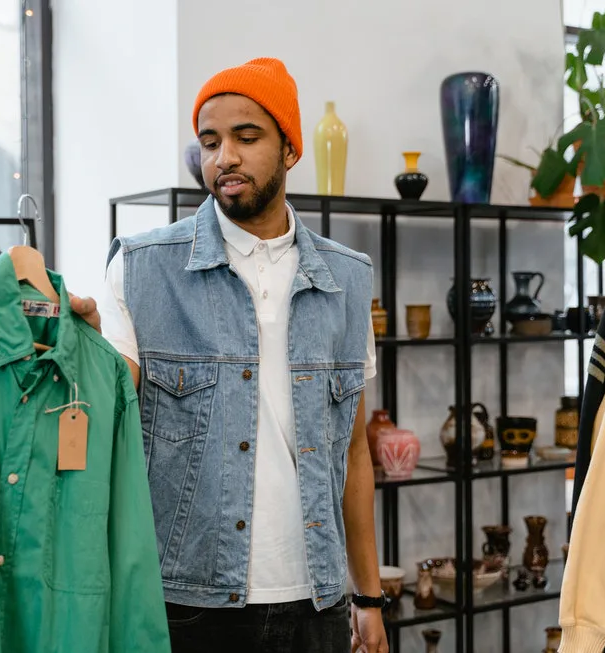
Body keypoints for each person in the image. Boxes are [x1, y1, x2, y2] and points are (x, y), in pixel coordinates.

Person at [73, 57, 387, 653]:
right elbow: (106, 420)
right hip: (187, 604)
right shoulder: (142, 269)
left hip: (317, 602)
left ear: (290, 149)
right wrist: (82, 352)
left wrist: (368, 598)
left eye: (247, 137)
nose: (225, 158)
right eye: (210, 141)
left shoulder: (347, 278)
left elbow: (353, 452)